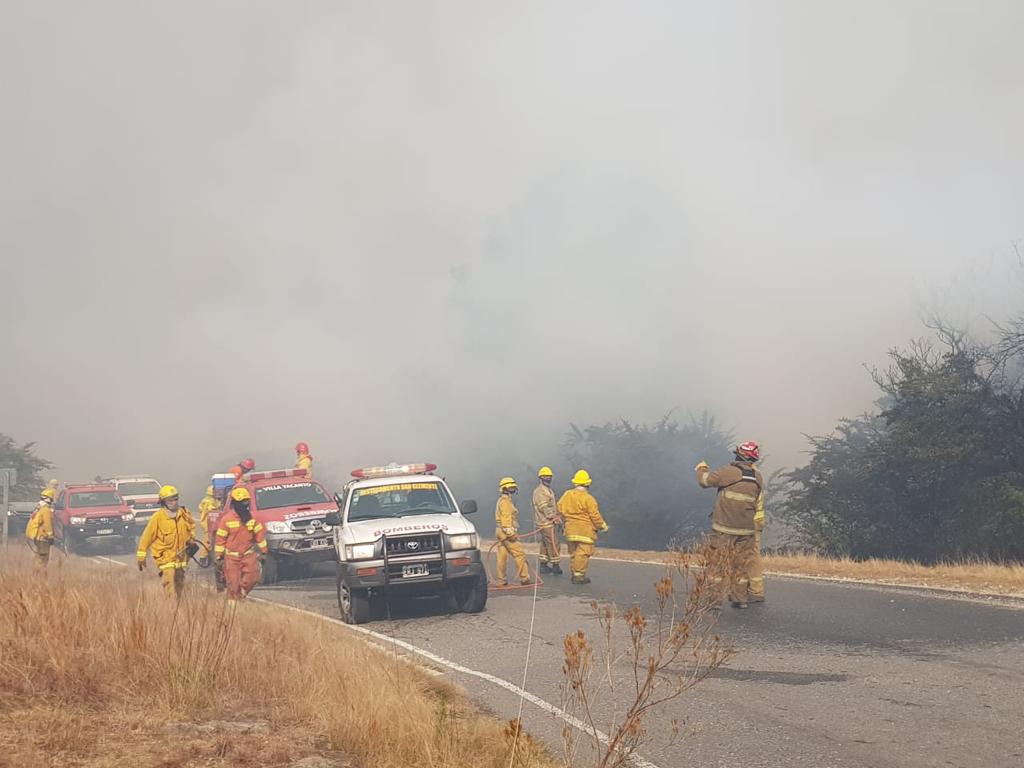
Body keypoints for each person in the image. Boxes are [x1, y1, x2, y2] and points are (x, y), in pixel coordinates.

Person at [695, 441, 765, 609]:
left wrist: (701, 469)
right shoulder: (758, 477)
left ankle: (714, 601)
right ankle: (739, 599)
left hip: (724, 529)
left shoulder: (729, 472)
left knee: (717, 565)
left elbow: (705, 481)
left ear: (738, 454)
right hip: (746, 531)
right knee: (740, 565)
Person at [136, 485, 198, 598]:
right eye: (170, 500)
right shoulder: (158, 518)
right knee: (169, 581)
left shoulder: (184, 513)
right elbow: (147, 536)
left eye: (176, 499)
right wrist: (141, 555)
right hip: (165, 556)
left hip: (181, 556)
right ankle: (171, 607)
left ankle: (178, 605)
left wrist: (191, 539)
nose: (174, 502)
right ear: (163, 502)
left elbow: (192, 526)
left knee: (179, 582)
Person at [214, 487, 268, 600]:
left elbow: (260, 536)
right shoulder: (227, 519)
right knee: (233, 584)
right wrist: (219, 556)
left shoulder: (253, 518)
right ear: (235, 503)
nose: (245, 505)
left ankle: (241, 596)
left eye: (246, 502)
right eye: (242, 502)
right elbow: (220, 539)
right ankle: (233, 607)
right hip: (231, 557)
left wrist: (264, 551)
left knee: (253, 578)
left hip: (248, 555)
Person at [557, 470, 608, 585]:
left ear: (575, 483)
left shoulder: (567, 494)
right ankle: (578, 576)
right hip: (585, 531)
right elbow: (595, 515)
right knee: (583, 553)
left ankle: (575, 573)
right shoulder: (589, 499)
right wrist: (603, 526)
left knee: (574, 553)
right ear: (587, 484)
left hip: (570, 529)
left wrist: (569, 516)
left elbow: (559, 507)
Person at [494, 477, 531, 586]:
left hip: (499, 531)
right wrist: (511, 534)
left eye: (514, 487)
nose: (513, 490)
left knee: (502, 556)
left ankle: (501, 580)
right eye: (511, 488)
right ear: (504, 489)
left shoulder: (502, 500)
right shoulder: (505, 502)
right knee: (519, 554)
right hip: (506, 532)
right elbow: (506, 520)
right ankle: (525, 578)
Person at [532, 466, 562, 575]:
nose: (548, 478)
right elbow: (544, 507)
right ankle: (555, 565)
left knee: (545, 544)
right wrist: (553, 517)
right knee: (554, 543)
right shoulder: (540, 491)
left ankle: (543, 565)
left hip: (546, 522)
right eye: (545, 477)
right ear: (540, 478)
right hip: (546, 522)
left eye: (549, 476)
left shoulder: (548, 490)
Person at [25, 487, 56, 570]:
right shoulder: (46, 510)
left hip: (38, 538)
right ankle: (39, 575)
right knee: (43, 559)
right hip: (43, 539)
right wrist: (51, 537)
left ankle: (35, 574)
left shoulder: (38, 508)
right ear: (49, 499)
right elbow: (48, 525)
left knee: (38, 557)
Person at [196, 485, 220, 567]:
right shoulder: (209, 501)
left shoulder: (206, 500)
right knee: (208, 541)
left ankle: (208, 558)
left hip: (206, 523)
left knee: (210, 541)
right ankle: (203, 559)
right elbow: (212, 508)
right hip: (207, 524)